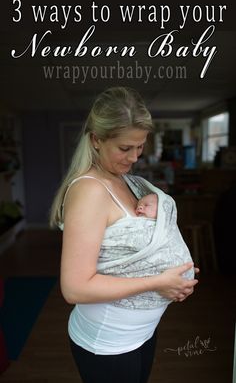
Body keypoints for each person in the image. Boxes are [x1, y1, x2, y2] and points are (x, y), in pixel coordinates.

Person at [50, 86, 199, 383]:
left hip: (142, 332)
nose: (134, 157)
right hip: (109, 343)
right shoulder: (90, 191)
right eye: (124, 148)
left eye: (140, 146)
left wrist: (174, 273)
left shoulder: (127, 181)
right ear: (95, 139)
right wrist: (159, 281)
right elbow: (75, 288)